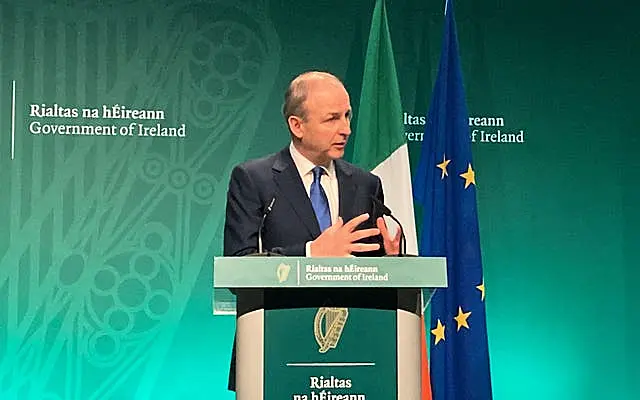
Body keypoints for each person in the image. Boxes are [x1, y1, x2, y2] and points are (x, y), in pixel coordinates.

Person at [222, 71, 401, 391]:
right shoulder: (254, 179)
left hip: (356, 357)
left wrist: (391, 260)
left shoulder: (365, 184)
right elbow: (238, 268)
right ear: (297, 125)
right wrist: (310, 254)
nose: (346, 129)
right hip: (275, 350)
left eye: (347, 116)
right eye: (332, 119)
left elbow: (370, 269)